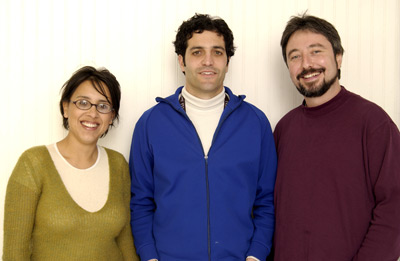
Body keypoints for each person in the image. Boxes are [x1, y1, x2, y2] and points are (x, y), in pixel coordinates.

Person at [129, 13, 277, 261]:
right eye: (197, 52)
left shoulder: (256, 122)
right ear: (181, 61)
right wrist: (149, 257)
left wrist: (256, 255)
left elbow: (266, 201)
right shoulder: (150, 124)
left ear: (227, 61)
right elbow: (141, 202)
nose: (208, 61)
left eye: (217, 52)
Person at [273, 13, 400, 260]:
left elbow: (395, 207)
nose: (306, 64)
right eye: (295, 56)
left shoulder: (373, 123)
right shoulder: (284, 129)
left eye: (316, 51)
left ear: (338, 57)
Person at [3, 66, 139, 260]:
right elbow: (14, 253)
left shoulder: (118, 165)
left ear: (111, 116)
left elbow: (126, 242)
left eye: (103, 106)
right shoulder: (33, 164)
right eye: (83, 103)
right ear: (66, 108)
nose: (93, 114)